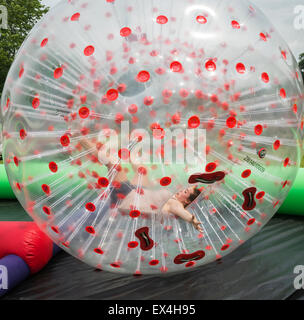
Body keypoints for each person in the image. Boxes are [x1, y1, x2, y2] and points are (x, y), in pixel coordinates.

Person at [79, 137, 203, 232]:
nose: (181, 191)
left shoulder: (176, 205)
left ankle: (78, 137)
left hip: (124, 196)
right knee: (142, 170)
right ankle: (131, 150)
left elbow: (183, 212)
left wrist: (194, 220)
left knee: (113, 164)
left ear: (186, 202)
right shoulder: (172, 201)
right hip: (139, 191)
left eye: (185, 193)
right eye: (184, 190)